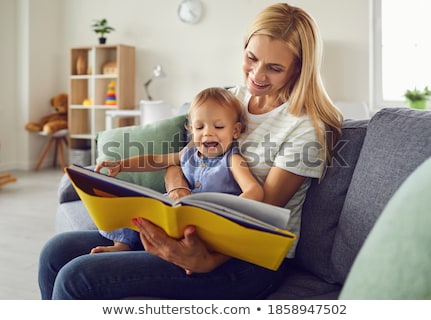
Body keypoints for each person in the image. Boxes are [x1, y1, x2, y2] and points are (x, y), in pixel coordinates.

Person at [38, 3, 343, 299]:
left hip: (249, 260)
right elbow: (182, 161)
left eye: (274, 68)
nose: (257, 76)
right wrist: (178, 194)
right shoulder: (231, 100)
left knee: (78, 278)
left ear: (298, 69)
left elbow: (261, 216)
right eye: (252, 58)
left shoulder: (304, 128)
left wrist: (207, 260)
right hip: (191, 230)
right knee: (55, 253)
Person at [90, 87, 263, 253]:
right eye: (200, 127)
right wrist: (121, 164)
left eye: (218, 127)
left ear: (235, 131)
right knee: (132, 208)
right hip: (176, 215)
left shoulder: (232, 160)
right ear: (191, 129)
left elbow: (253, 190)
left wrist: (229, 213)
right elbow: (156, 160)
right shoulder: (188, 154)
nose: (208, 133)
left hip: (207, 224)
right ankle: (122, 244)